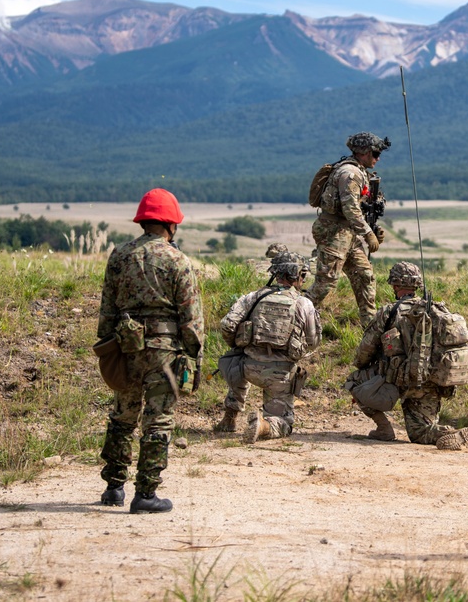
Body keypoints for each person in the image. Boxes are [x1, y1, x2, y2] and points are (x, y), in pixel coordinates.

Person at [97, 188, 204, 514]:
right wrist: (194, 355)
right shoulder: (178, 261)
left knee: (122, 416)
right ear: (172, 224)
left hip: (126, 347)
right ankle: (145, 494)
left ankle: (114, 487)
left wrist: (106, 348)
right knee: (158, 421)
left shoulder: (119, 256)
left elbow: (108, 309)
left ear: (143, 220)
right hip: (163, 352)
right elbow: (191, 317)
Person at [349, 261, 468, 450]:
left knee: (354, 380)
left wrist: (364, 369)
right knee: (420, 432)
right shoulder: (437, 310)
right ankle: (448, 432)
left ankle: (384, 429)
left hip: (397, 380)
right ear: (417, 285)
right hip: (430, 383)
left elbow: (364, 352)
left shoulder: (388, 312)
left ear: (396, 285)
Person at [215, 251, 321, 443]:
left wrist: (238, 345)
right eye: (303, 276)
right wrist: (296, 353)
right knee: (285, 422)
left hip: (247, 368)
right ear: (298, 275)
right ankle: (264, 426)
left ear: (276, 274)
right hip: (279, 375)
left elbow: (227, 325)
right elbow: (313, 340)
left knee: (235, 359)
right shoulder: (304, 304)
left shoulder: (252, 297)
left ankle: (229, 419)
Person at [306, 132, 390, 326]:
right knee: (325, 284)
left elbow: (360, 208)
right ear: (364, 152)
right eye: (375, 153)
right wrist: (368, 234)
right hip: (333, 232)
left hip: (347, 233)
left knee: (365, 276)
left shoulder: (359, 172)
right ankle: (293, 317)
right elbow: (350, 207)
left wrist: (372, 229)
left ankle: (370, 327)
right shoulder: (350, 174)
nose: (378, 158)